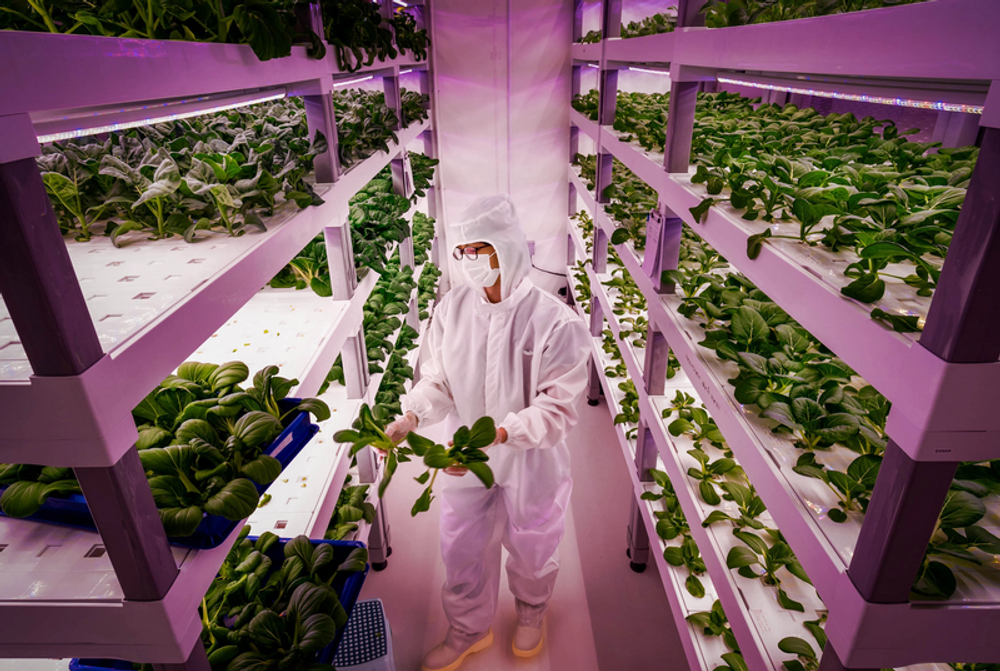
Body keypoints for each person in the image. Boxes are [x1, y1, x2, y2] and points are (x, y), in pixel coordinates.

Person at [385, 195, 590, 671]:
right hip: (465, 455)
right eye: (462, 251)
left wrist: (501, 433)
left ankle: (531, 612)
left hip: (531, 458)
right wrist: (413, 415)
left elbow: (557, 409)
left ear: (508, 248)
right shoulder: (452, 310)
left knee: (533, 540)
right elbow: (438, 380)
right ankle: (467, 630)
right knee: (460, 545)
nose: (468, 261)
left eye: (479, 249)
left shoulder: (555, 322)